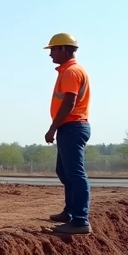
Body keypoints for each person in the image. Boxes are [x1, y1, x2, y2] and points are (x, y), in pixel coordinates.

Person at [43, 33, 92, 235]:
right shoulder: (68, 71)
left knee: (75, 175)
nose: (50, 54)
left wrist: (53, 128)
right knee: (64, 172)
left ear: (64, 49)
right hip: (70, 127)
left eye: (52, 50)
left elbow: (69, 102)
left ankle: (80, 221)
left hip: (72, 127)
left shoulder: (71, 72)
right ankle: (70, 212)